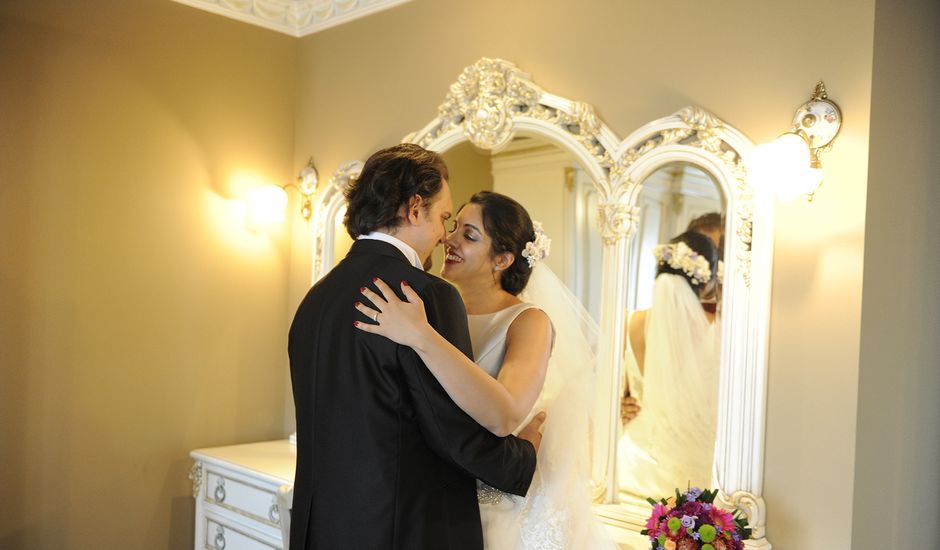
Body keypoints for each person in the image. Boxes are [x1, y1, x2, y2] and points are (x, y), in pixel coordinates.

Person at [288, 145, 542, 550]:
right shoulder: (423, 294)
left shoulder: (316, 298)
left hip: (322, 527)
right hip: (400, 530)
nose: (444, 236)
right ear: (414, 207)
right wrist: (523, 454)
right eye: (444, 218)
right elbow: (451, 431)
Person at [355, 191, 615, 549]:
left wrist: (420, 336)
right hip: (434, 498)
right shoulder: (430, 311)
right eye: (454, 227)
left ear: (503, 259)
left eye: (469, 235)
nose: (450, 239)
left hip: (501, 508)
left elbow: (505, 415)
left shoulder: (528, 322)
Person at [618, 230, 722, 500]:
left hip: (634, 462)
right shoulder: (719, 330)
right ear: (708, 281)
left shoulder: (630, 323)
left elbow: (615, 392)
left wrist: (621, 405)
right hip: (694, 464)